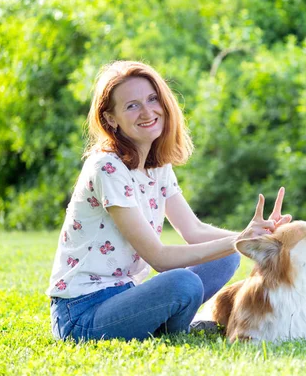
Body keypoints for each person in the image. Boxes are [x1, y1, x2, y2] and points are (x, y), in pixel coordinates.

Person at [46, 60, 292, 341]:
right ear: (111, 119)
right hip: (82, 314)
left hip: (126, 295)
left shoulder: (157, 166)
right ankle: (174, 330)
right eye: (132, 105)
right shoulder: (107, 167)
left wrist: (260, 238)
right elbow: (159, 259)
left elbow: (194, 232)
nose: (148, 111)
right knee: (182, 281)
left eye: (152, 99)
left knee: (226, 257)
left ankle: (166, 324)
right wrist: (239, 239)